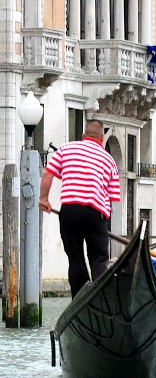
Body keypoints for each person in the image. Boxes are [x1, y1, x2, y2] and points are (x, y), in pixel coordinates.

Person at [38, 119, 121, 298]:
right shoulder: (108, 159)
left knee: (75, 259)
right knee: (98, 260)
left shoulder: (66, 149)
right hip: (95, 212)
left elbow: (47, 174)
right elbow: (113, 196)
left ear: (83, 136)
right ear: (102, 138)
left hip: (69, 211)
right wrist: (102, 222)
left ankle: (80, 299)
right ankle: (101, 299)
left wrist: (44, 199)